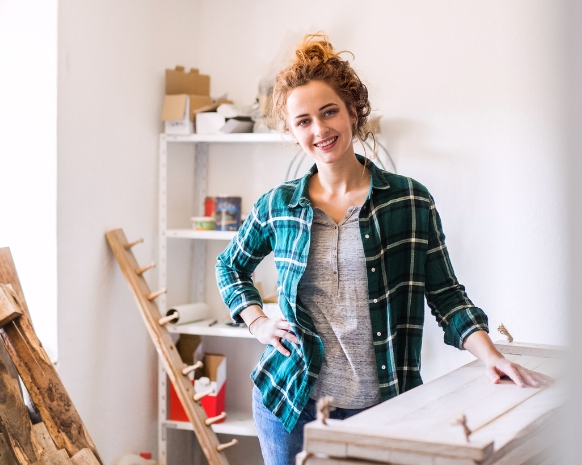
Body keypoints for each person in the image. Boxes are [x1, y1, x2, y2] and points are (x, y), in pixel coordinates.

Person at [215, 33, 551, 465]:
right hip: (290, 401)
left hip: (385, 406)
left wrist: (492, 356)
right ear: (292, 131)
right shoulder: (279, 205)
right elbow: (230, 266)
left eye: (329, 111)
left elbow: (446, 294)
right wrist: (257, 321)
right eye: (303, 121)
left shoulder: (409, 201)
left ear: (353, 110)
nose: (319, 130)